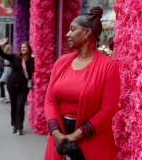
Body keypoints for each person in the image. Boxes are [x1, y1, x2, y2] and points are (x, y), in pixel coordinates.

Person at [44, 6, 120, 160]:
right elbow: (49, 101)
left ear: (87, 32)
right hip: (58, 137)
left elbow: (107, 110)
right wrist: (56, 133)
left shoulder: (109, 66)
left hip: (93, 139)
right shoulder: (61, 62)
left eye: (72, 29)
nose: (67, 34)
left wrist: (74, 136)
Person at [0, 38, 34, 135]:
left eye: (25, 47)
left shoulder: (31, 59)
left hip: (23, 86)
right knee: (13, 105)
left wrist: (33, 59)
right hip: (12, 84)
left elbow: (32, 71)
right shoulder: (14, 57)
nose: (23, 48)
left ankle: (20, 127)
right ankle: (14, 125)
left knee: (20, 106)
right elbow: (3, 55)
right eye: (21, 47)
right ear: (20, 49)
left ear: (28, 49)